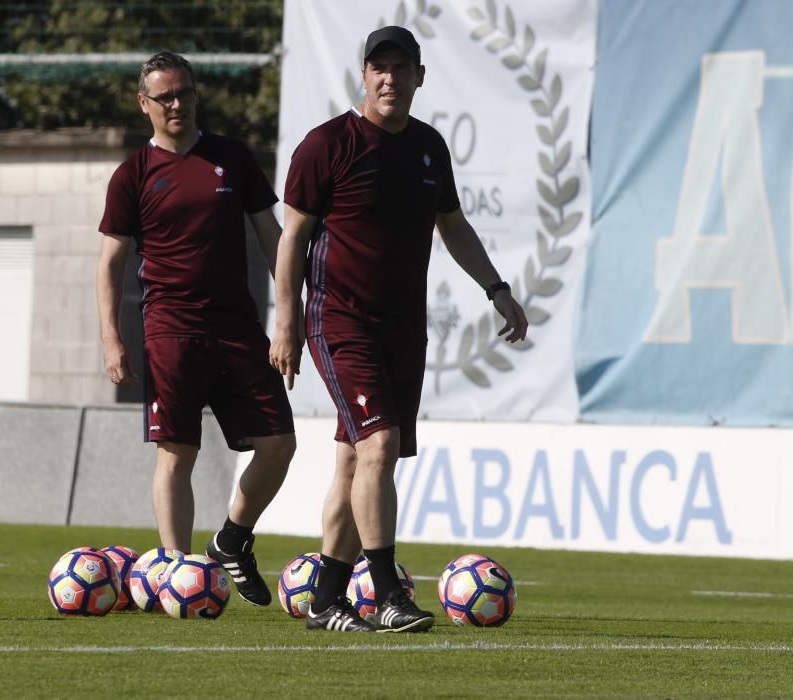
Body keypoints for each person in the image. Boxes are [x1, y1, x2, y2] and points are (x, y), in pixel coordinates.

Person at [270, 26, 529, 632]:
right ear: (363, 75)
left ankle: (326, 602)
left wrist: (497, 289)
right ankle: (387, 591)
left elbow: (454, 226)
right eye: (378, 67)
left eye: (400, 67)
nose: (389, 78)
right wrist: (284, 322)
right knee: (379, 447)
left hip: (404, 330)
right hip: (338, 322)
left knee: (352, 463)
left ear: (419, 76)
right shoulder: (327, 145)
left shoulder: (428, 148)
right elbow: (292, 241)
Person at [96, 51, 296, 607]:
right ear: (145, 105)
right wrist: (112, 337)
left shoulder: (231, 157)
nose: (177, 103)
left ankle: (232, 538)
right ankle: (177, 574)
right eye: (165, 96)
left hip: (237, 328)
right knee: (176, 453)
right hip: (169, 332)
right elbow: (109, 262)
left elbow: (271, 236)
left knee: (280, 445)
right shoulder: (132, 174)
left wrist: (290, 313)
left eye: (185, 92)